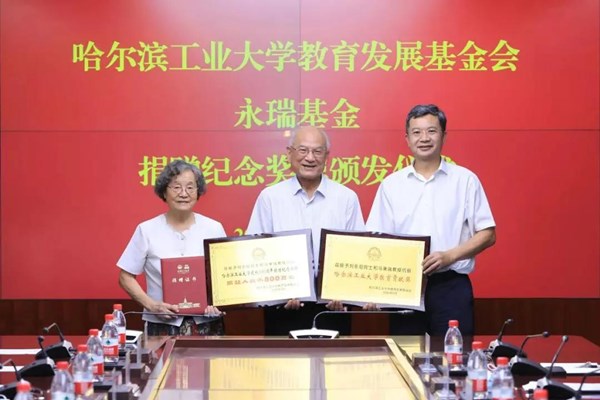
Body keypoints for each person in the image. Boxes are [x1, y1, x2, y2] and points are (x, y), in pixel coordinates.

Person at [366, 104, 496, 335]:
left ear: (444, 136)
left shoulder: (465, 180)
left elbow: (488, 234)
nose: (424, 138)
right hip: (401, 286)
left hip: (450, 286)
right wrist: (371, 289)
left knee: (453, 352)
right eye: (416, 132)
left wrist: (449, 256)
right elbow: (375, 238)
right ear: (407, 139)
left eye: (431, 131)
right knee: (405, 352)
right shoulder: (391, 185)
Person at [246, 125, 366, 335]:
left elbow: (358, 252)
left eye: (317, 151)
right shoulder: (270, 198)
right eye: (303, 150)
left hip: (333, 307)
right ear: (289, 153)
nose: (310, 158)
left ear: (326, 156)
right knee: (283, 357)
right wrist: (279, 292)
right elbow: (255, 252)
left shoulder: (346, 198)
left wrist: (344, 292)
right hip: (282, 308)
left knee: (335, 357)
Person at [117, 160, 226, 335]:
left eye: (190, 187)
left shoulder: (214, 228)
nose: (183, 193)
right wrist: (152, 305)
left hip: (207, 321)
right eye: (176, 187)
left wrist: (220, 302)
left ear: (198, 192)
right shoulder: (146, 229)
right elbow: (125, 277)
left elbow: (223, 274)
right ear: (164, 192)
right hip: (160, 322)